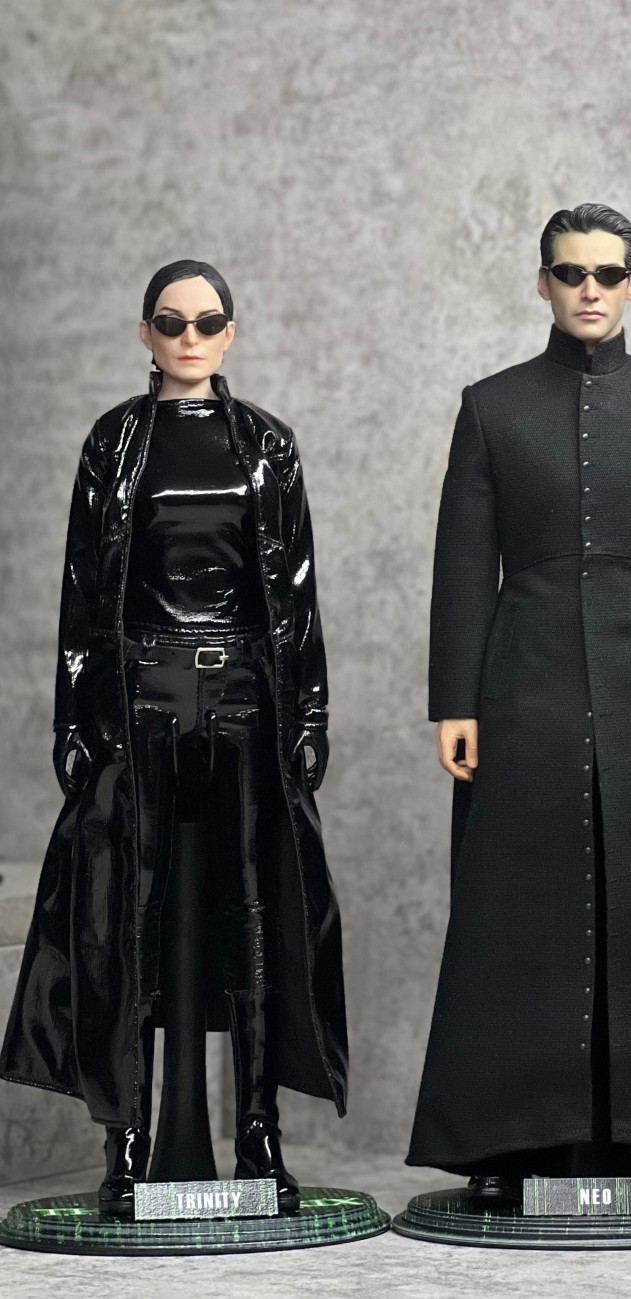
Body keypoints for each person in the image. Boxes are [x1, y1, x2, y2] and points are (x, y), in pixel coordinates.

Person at [409, 204, 631, 1203]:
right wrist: (454, 701)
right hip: (519, 686)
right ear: (542, 282)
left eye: (606, 274)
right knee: (512, 909)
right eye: (569, 272)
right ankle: (503, 1146)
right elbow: (461, 563)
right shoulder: (490, 407)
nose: (588, 289)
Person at [0, 261, 348, 1217]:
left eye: (206, 321)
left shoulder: (266, 444)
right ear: (145, 333)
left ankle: (260, 1138)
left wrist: (310, 713)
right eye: (171, 321)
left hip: (243, 696)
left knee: (255, 914)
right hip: (140, 696)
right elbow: (81, 588)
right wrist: (72, 714)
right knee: (128, 918)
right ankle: (126, 1143)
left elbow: (297, 590)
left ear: (229, 331)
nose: (189, 337)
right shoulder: (115, 441)